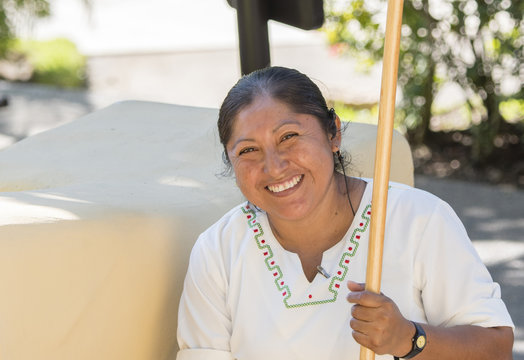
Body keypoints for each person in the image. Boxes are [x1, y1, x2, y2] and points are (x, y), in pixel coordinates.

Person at [176, 66, 514, 360]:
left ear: (333, 132)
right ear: (230, 161)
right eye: (248, 150)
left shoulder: (418, 220)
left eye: (289, 137)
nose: (274, 167)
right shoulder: (218, 251)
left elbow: (496, 349)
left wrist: (408, 339)